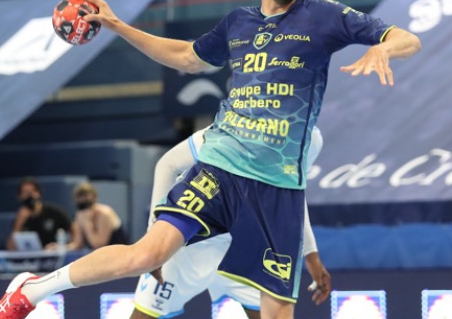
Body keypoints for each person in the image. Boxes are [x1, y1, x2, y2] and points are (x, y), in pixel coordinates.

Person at [0, 0, 420, 319]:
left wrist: (384, 48)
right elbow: (184, 57)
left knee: (276, 313)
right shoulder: (238, 22)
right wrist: (117, 25)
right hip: (220, 169)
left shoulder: (322, 15)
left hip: (278, 190)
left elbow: (407, 38)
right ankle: (31, 291)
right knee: (146, 255)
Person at [131, 126, 331, 319]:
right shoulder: (237, 123)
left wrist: (311, 254)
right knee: (144, 315)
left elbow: (292, 194)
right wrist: (154, 242)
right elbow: (168, 164)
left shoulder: (311, 139)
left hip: (242, 244)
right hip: (193, 240)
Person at [7, 177, 75, 251]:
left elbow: (74, 229)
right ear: (19, 196)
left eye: (31, 192)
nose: (29, 196)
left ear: (38, 193)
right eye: (25, 192)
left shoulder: (53, 212)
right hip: (31, 256)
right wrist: (19, 222)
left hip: (53, 254)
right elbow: (11, 248)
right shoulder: (20, 217)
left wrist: (68, 247)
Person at [68, 181, 130, 250]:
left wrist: (87, 223)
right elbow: (77, 244)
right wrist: (62, 248)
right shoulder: (80, 216)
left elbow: (98, 245)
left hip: (118, 253)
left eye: (87, 204)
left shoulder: (104, 214)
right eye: (81, 206)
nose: (85, 211)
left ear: (95, 198)